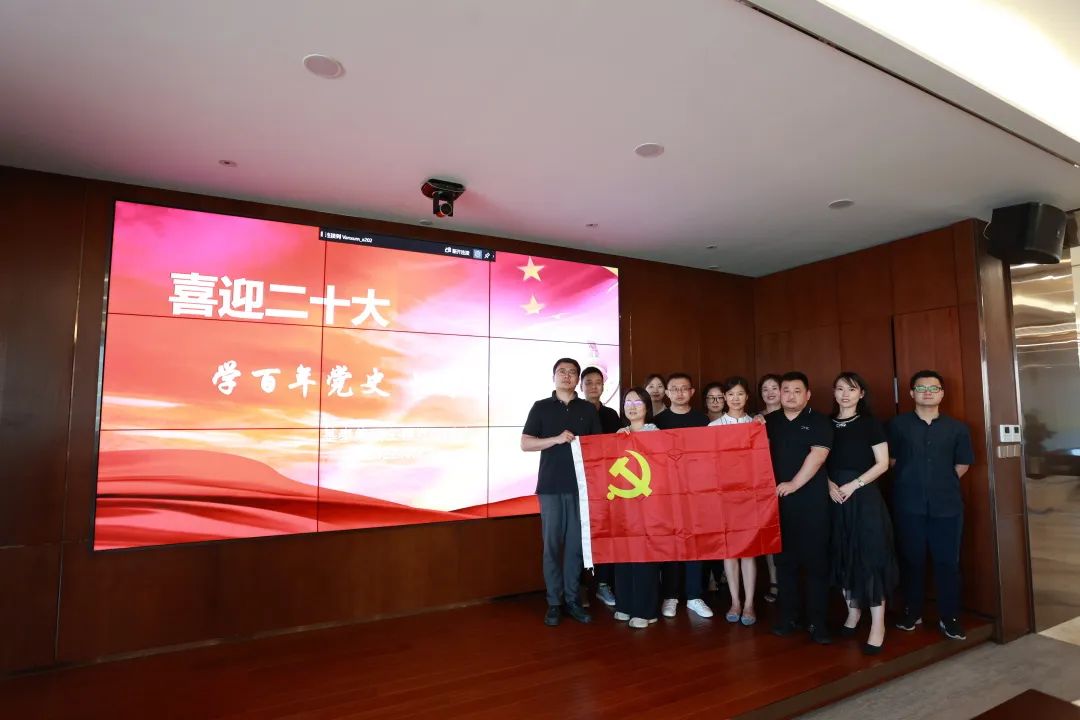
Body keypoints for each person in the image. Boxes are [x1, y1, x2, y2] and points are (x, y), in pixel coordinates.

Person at [888, 370, 974, 640]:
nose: (927, 392)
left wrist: (938, 483)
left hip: (947, 506)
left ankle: (950, 618)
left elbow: (962, 464)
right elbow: (890, 461)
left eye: (933, 388)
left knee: (947, 562)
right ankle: (912, 612)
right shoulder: (896, 425)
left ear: (942, 393)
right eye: (921, 388)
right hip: (908, 504)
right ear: (911, 393)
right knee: (911, 560)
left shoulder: (957, 428)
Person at [521, 358, 603, 626]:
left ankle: (573, 600)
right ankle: (554, 603)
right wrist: (556, 439)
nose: (567, 376)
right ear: (554, 376)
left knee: (576, 547)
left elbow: (599, 448)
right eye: (562, 372)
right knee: (552, 547)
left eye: (572, 372)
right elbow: (525, 443)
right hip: (551, 487)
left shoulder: (587, 409)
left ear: (578, 379)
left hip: (581, 488)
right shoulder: (541, 407)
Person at [827, 372, 898, 655]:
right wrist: (829, 484)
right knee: (842, 554)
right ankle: (853, 612)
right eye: (840, 389)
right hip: (835, 497)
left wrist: (853, 485)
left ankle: (878, 625)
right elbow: (818, 460)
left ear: (861, 394)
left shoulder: (870, 424)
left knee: (870, 556)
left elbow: (882, 463)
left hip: (863, 495)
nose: (845, 394)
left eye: (852, 389)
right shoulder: (825, 423)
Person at [765, 371, 834, 644]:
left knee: (817, 564)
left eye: (797, 391)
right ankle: (788, 617)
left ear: (807, 395)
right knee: (785, 563)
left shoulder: (819, 421)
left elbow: (818, 455)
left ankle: (818, 622)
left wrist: (794, 484)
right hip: (778, 504)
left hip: (812, 503)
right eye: (786, 390)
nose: (790, 396)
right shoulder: (769, 421)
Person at [653, 373, 714, 619]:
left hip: (696, 491)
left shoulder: (702, 420)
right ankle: (671, 595)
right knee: (671, 544)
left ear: (691, 392)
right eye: (674, 388)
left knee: (694, 543)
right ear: (667, 393)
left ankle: (694, 596)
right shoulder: (658, 421)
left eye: (684, 388)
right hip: (667, 492)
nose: (679, 393)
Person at [611, 387, 661, 629]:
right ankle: (625, 604)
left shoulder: (657, 434)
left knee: (644, 556)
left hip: (649, 505)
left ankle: (646, 610)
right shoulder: (619, 436)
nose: (632, 407)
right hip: (623, 504)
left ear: (647, 406)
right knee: (623, 553)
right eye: (627, 402)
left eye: (637, 402)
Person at [710, 376, 758, 626]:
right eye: (730, 394)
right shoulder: (714, 427)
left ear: (747, 396)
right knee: (729, 550)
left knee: (748, 551)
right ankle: (735, 601)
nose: (735, 398)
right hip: (724, 496)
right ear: (724, 398)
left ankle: (749, 603)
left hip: (750, 496)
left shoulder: (756, 424)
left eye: (740, 394)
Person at [580, 365, 621, 608]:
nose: (594, 387)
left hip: (608, 484)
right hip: (580, 483)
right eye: (589, 382)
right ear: (581, 386)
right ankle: (581, 587)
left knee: (607, 534)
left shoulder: (611, 415)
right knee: (581, 535)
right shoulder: (575, 412)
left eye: (598, 382)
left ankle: (603, 585)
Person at [758, 373, 783, 604]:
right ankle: (775, 581)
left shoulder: (793, 414)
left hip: (791, 480)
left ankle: (790, 581)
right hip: (764, 483)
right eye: (765, 389)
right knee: (770, 534)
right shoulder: (756, 420)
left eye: (774, 387)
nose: (770, 392)